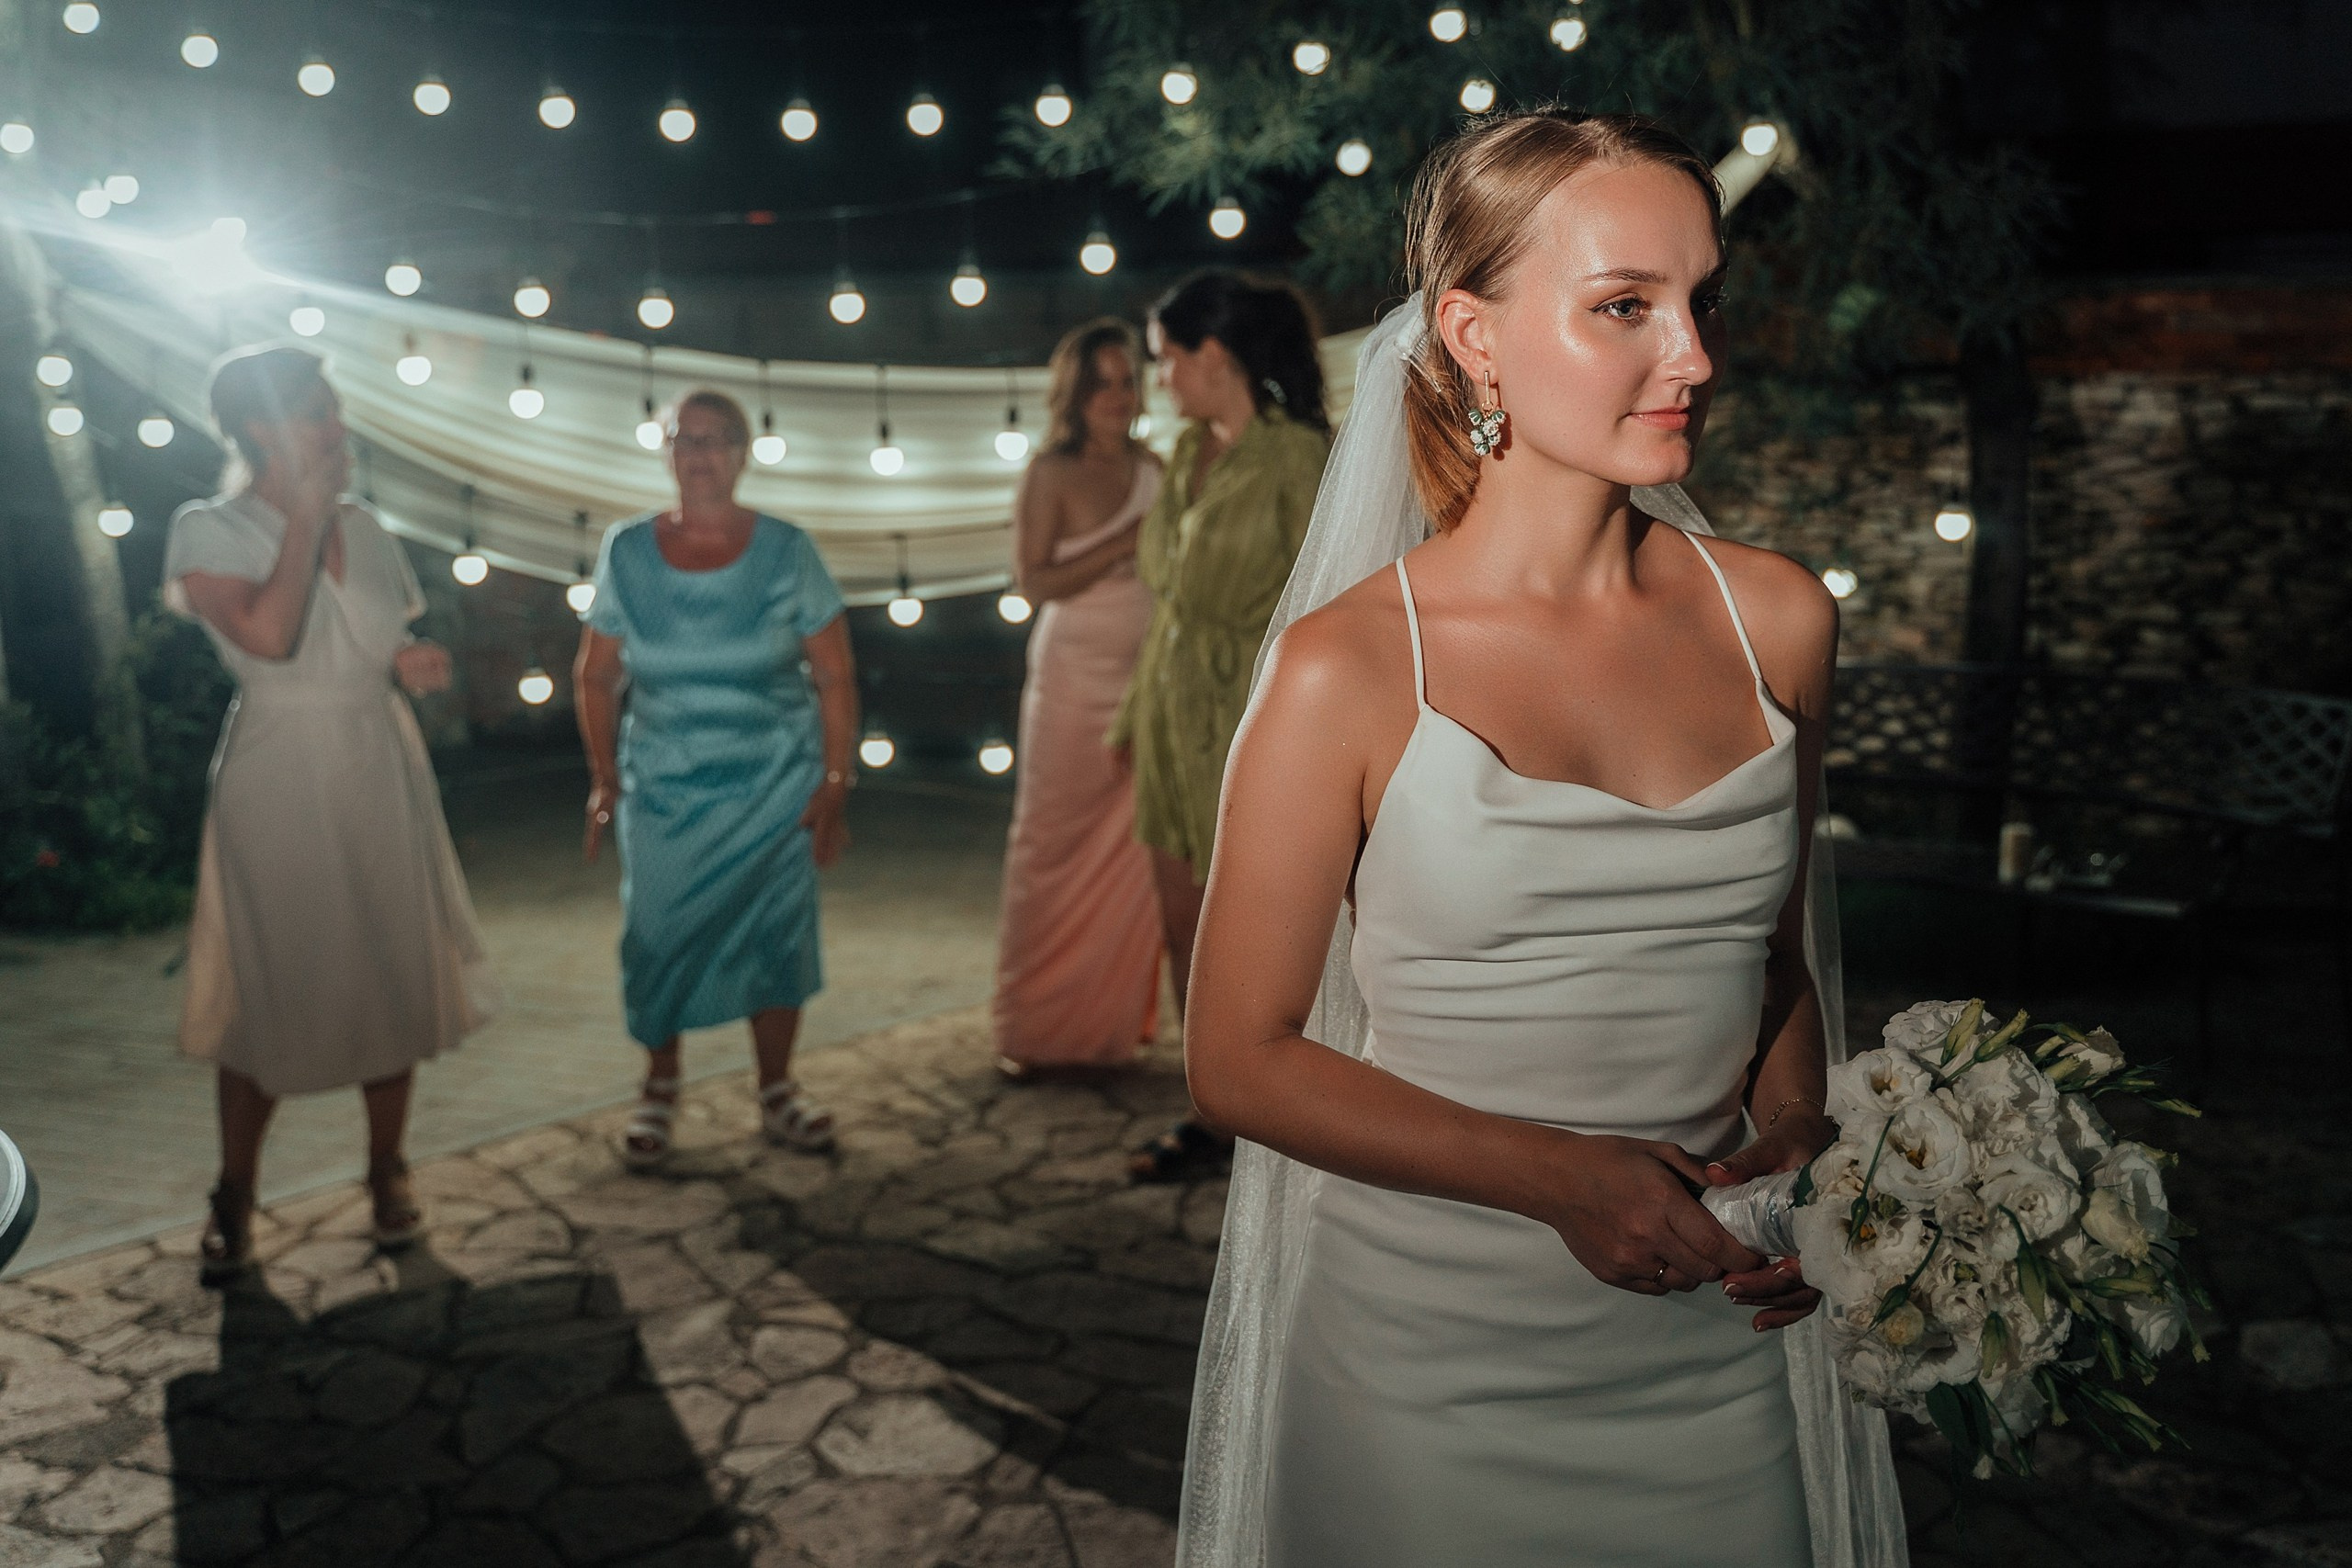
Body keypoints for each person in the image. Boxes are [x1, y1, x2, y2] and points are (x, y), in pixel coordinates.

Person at [1173, 112, 1905, 1566]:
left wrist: (1793, 1132)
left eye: (1702, 301)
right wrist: (1563, 1176)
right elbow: (1237, 1054)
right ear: (1476, 335)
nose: (1692, 353)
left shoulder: (1779, 618)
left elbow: (1767, 960)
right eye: (1626, 305)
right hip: (1427, 1371)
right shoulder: (1350, 667)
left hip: (1711, 1358)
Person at [165, 345, 497, 1282]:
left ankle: (387, 1167)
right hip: (279, 771)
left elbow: (386, 631)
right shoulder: (208, 528)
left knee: (391, 963)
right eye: (318, 413)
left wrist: (409, 659)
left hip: (376, 763)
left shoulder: (370, 525)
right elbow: (270, 637)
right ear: (262, 430)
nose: (337, 428)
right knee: (276, 979)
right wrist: (304, 513)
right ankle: (235, 1188)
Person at [574, 389, 857, 1168]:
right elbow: (595, 678)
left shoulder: (788, 548)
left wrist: (834, 782)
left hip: (774, 783)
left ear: (744, 451)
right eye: (684, 439)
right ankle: (659, 1086)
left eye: (717, 438)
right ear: (665, 451)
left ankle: (778, 1088)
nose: (700, 454)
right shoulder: (626, 551)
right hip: (663, 788)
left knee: (777, 938)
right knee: (655, 935)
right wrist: (604, 778)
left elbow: (834, 675)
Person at [1114, 273, 1331, 1180]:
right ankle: (1211, 1105)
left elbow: (1332, 600)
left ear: (1212, 357)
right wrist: (1134, 713)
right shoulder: (1181, 452)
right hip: (1172, 707)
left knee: (1263, 929)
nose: (1157, 378)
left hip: (1256, 712)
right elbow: (1165, 597)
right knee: (1180, 923)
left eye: (1165, 358)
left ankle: (1290, 1114)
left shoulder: (1301, 458)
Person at [990, 321, 1167, 1073]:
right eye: (1101, 383)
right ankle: (1036, 1031)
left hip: (1147, 676)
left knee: (1135, 855)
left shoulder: (1158, 466)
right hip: (1070, 681)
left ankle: (1109, 1026)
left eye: (1126, 380)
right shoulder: (1050, 472)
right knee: (1049, 845)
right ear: (1075, 393)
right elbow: (1036, 583)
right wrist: (1120, 545)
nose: (1116, 397)